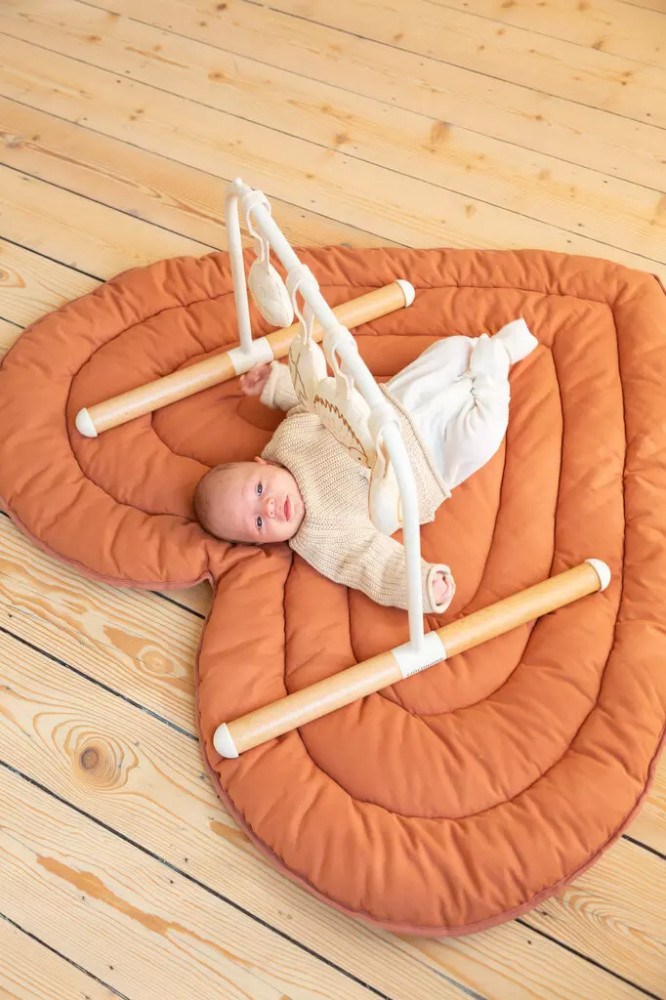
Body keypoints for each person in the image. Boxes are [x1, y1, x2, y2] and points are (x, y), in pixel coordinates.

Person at [194, 319, 538, 614]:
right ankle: (497, 365)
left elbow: (310, 397)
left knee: (453, 351)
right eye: (258, 523)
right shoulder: (319, 537)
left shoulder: (288, 440)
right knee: (481, 436)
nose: (268, 507)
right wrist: (420, 585)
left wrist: (272, 382)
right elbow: (371, 564)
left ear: (264, 462)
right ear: (263, 544)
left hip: (394, 405)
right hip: (430, 463)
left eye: (258, 489)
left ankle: (487, 351)